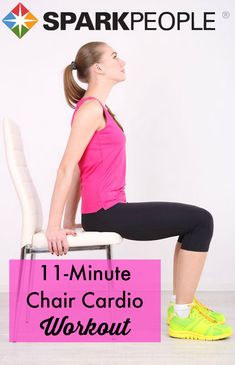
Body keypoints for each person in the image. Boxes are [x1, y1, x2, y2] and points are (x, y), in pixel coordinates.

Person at [46, 41, 232, 340]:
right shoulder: (91, 110)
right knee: (201, 220)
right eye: (115, 56)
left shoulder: (97, 108)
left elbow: (81, 169)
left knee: (194, 224)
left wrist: (70, 221)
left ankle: (182, 308)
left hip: (107, 211)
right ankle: (182, 317)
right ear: (99, 68)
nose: (122, 61)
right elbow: (67, 168)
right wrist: (54, 226)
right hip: (109, 213)